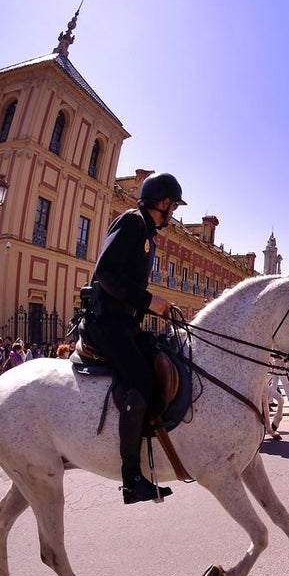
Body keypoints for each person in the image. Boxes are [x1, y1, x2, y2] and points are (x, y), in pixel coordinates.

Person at [82, 171, 183, 505]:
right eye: (172, 206)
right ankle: (131, 479)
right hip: (106, 322)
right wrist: (149, 301)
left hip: (125, 323)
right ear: (163, 202)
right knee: (140, 379)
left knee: (160, 358)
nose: (173, 213)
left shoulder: (147, 234)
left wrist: (156, 305)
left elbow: (131, 288)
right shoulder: (132, 222)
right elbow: (105, 275)